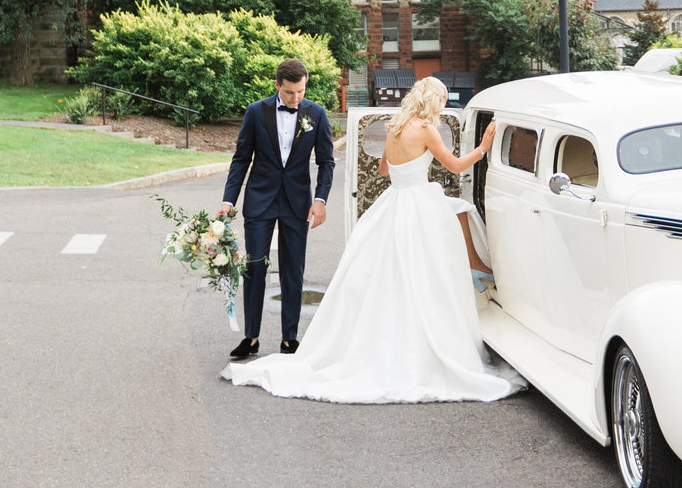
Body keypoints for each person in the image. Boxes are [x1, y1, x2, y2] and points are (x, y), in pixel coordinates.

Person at [223, 76, 523, 403]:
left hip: (394, 201)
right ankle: (473, 286)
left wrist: (407, 166)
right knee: (427, 272)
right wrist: (483, 147)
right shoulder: (425, 129)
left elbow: (382, 170)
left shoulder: (395, 127)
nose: (442, 107)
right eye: (442, 101)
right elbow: (453, 166)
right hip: (418, 203)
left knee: (386, 275)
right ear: (434, 102)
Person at [219, 57, 335, 361]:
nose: (295, 98)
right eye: (289, 93)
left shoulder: (317, 115)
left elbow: (326, 162)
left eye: (300, 92)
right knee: (255, 266)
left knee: (293, 269)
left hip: (297, 203)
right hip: (260, 200)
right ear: (276, 86)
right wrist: (228, 200)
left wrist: (320, 199)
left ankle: (290, 338)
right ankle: (251, 338)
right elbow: (241, 159)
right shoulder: (256, 112)